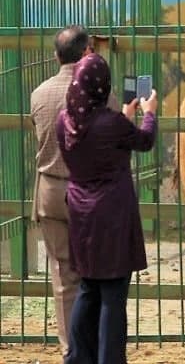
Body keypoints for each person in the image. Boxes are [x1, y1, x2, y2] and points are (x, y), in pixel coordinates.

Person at [56, 53, 158, 363]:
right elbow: (143, 141)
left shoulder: (65, 119)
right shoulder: (111, 123)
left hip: (80, 212)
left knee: (88, 287)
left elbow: (104, 139)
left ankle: (78, 357)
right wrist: (149, 113)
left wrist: (124, 115)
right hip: (112, 214)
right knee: (113, 293)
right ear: (103, 85)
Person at [29, 25, 94, 356]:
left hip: (51, 191)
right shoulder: (99, 92)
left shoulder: (39, 94)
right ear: (87, 53)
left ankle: (72, 351)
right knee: (95, 276)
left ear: (56, 55)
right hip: (90, 194)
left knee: (62, 277)